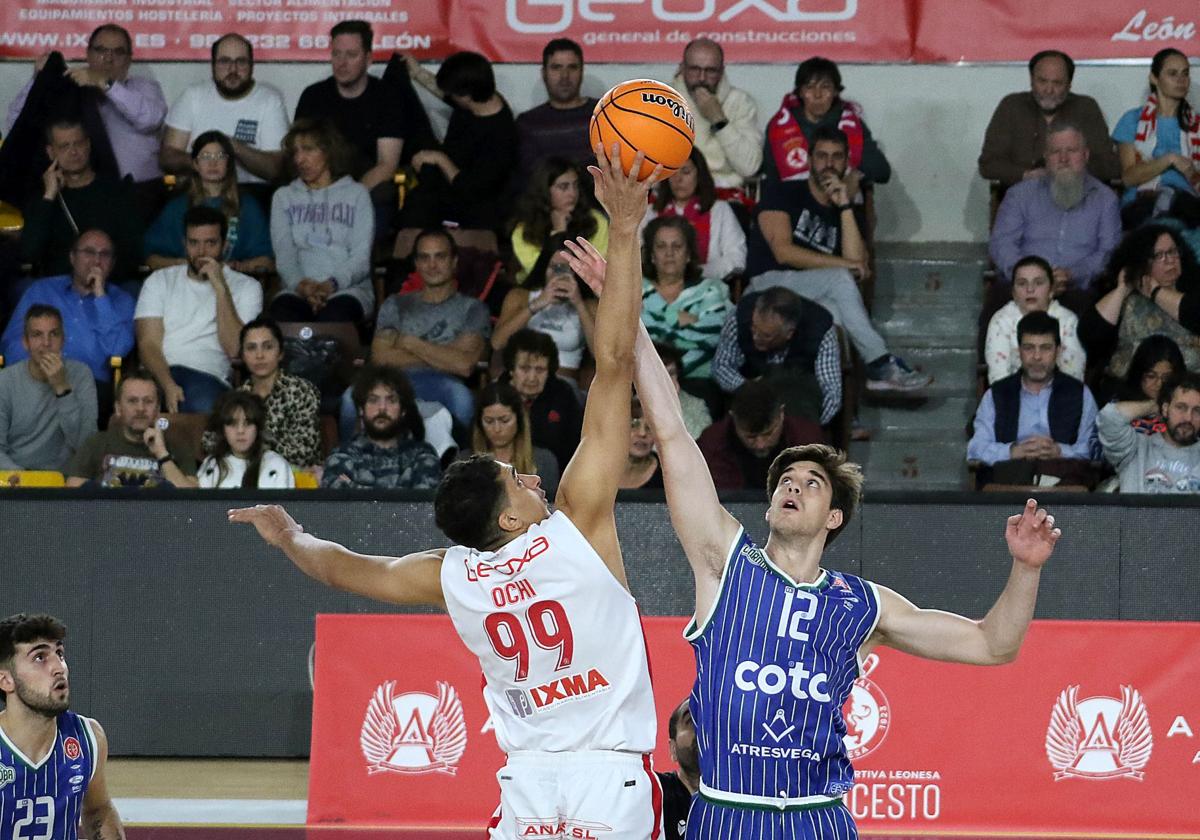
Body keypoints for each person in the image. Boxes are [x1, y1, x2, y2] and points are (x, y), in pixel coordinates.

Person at [562, 233, 1061, 838]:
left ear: (835, 518)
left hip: (816, 820)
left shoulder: (863, 605)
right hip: (726, 813)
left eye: (811, 483)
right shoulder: (725, 562)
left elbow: (993, 646)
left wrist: (1027, 568)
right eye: (786, 479)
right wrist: (625, 306)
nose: (792, 486)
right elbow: (670, 430)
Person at [231, 146, 664, 839]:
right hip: (607, 779)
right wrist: (627, 224)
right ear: (510, 515)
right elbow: (613, 367)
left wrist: (289, 536)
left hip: (525, 785)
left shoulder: (453, 573)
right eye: (515, 479)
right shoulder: (576, 528)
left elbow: (346, 569)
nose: (529, 476)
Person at [746, 126, 929, 392]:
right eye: (821, 156)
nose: (828, 164)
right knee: (840, 279)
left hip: (811, 295)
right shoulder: (781, 192)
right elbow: (783, 252)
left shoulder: (847, 213)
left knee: (837, 321)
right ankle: (879, 363)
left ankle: (842, 407)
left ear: (847, 163)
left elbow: (860, 267)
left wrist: (844, 204)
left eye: (837, 157)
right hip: (767, 287)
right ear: (809, 160)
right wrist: (845, 266)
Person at [5, 25, 167, 206]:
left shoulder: (144, 87)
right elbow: (16, 123)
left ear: (129, 60)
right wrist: (38, 81)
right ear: (88, 54)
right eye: (101, 50)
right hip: (82, 194)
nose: (108, 58)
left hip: (142, 193)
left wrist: (106, 84)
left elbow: (150, 120)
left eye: (118, 52)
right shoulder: (69, 90)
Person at [0, 613, 126, 839]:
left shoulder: (88, 738)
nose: (59, 668)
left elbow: (98, 811)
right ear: (6, 680)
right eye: (40, 657)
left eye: (59, 653)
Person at [135, 205, 263, 413]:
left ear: (224, 245)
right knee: (135, 404)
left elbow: (235, 350)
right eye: (194, 243)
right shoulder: (159, 280)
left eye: (210, 243)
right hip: (158, 373)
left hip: (207, 376)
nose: (201, 252)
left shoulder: (247, 287)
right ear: (184, 243)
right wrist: (168, 384)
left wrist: (220, 288)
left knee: (201, 405)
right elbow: (147, 344)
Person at [2, 228, 135, 419]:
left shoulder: (121, 301)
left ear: (112, 264)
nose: (97, 261)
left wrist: (100, 297)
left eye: (105, 255)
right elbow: (12, 343)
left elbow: (117, 350)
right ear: (72, 258)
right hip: (37, 379)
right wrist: (40, 371)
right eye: (89, 252)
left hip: (87, 387)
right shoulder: (42, 290)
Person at [368, 227, 490, 429]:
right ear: (416, 264)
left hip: (445, 383)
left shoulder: (473, 308)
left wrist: (409, 342)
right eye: (424, 258)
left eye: (440, 257)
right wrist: (445, 354)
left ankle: (462, 460)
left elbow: (464, 365)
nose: (432, 265)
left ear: (454, 262)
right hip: (393, 383)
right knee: (349, 400)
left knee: (462, 400)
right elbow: (380, 358)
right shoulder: (395, 304)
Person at [988, 123, 1122, 298]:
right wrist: (1031, 277)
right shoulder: (1019, 195)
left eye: (1071, 151)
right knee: (995, 305)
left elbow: (1108, 252)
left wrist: (1072, 274)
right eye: (1055, 152)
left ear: (1085, 155)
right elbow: (1001, 244)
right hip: (1022, 288)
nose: (1063, 159)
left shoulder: (1105, 199)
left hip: (1079, 289)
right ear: (1046, 158)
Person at [295, 20, 406, 227]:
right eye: (336, 54)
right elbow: (300, 153)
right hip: (317, 182)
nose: (341, 63)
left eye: (351, 55)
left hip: (365, 186)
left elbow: (387, 164)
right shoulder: (313, 96)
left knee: (382, 196)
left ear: (369, 59)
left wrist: (347, 195)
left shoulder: (388, 97)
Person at [969, 311, 1099, 487]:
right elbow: (976, 448)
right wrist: (1012, 451)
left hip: (1063, 485)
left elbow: (1093, 449)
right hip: (1009, 483)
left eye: (1045, 348)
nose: (1037, 357)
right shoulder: (997, 393)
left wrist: (1060, 451)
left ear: (1058, 351)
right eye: (1029, 348)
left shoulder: (1080, 393)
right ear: (1019, 351)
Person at [398, 51, 518, 234]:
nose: (451, 97)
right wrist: (417, 72)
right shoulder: (478, 99)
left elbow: (471, 188)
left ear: (466, 96)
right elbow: (445, 92)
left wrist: (439, 158)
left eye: (454, 94)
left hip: (475, 208)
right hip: (444, 189)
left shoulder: (501, 134)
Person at [268, 119, 374, 324]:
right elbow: (285, 256)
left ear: (328, 152)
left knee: (335, 319)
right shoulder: (284, 197)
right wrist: (302, 286)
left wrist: (329, 286)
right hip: (297, 290)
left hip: (348, 289)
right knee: (284, 316)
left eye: (308, 150)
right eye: (295, 152)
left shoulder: (357, 194)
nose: (300, 159)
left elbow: (360, 257)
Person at [21, 119, 143, 282]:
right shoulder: (43, 199)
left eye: (78, 143)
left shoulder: (117, 191)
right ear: (51, 152)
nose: (73, 152)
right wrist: (49, 195)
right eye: (65, 146)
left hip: (110, 283)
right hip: (59, 287)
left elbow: (133, 251)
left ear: (88, 144)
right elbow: (29, 252)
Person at [160, 34, 289, 187]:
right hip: (199, 192)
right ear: (213, 65)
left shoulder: (270, 100)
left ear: (252, 66)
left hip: (249, 193)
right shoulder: (193, 95)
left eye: (241, 62)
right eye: (224, 61)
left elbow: (275, 170)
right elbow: (167, 157)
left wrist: (232, 146)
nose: (233, 69)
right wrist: (206, 162)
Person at [1078, 225, 1200, 384]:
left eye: (1173, 251)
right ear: (1140, 260)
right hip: (1128, 389)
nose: (1170, 260)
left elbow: (1194, 313)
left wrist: (1155, 291)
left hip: (1188, 392)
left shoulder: (1194, 288)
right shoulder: (1125, 298)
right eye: (1159, 255)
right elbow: (1091, 336)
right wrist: (1123, 288)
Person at [979, 49, 1121, 187]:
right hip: (1023, 195)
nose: (1048, 90)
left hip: (1077, 195)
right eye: (1042, 81)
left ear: (1069, 84)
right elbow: (988, 164)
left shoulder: (1085, 108)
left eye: (1057, 83)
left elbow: (1109, 165)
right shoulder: (1012, 106)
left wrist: (1067, 173)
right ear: (1031, 80)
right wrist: (1026, 175)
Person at [144, 131, 273, 274]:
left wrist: (235, 268)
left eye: (220, 156)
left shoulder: (248, 207)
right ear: (195, 163)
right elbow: (151, 260)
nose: (213, 162)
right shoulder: (176, 207)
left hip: (234, 286)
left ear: (229, 163)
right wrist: (185, 265)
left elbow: (267, 262)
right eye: (205, 156)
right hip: (185, 286)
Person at [712, 284, 841, 426]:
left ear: (789, 333)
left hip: (798, 402)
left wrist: (810, 426)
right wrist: (746, 387)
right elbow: (721, 365)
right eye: (753, 329)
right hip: (750, 396)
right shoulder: (740, 316)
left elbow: (831, 394)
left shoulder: (820, 330)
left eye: (766, 336)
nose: (755, 337)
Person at [763, 56, 890, 186]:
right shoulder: (779, 126)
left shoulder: (851, 124)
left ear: (835, 91)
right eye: (810, 87)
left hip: (840, 199)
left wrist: (854, 176)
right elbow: (771, 177)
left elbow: (882, 173)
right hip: (791, 201)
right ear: (800, 92)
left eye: (825, 87)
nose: (817, 95)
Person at [0, 305, 97, 471]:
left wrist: (62, 387)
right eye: (37, 335)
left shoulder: (81, 375)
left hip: (63, 482)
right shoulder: (5, 381)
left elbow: (86, 446)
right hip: (16, 480)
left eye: (54, 334)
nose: (46, 343)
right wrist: (25, 479)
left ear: (63, 340)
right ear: (26, 342)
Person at [492, 234, 597, 384]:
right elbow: (497, 343)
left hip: (563, 384)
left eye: (567, 268)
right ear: (544, 268)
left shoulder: (590, 305)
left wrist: (579, 304)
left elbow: (601, 356)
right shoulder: (520, 297)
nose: (559, 275)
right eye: (555, 268)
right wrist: (538, 303)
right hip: (521, 382)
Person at [65, 369, 197, 487]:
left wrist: (162, 454)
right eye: (132, 401)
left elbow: (192, 501)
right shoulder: (96, 444)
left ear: (157, 410)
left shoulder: (177, 447)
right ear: (118, 409)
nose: (140, 408)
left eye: (148, 401)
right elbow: (72, 495)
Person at [640, 216, 732, 383]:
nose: (669, 253)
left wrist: (654, 324)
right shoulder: (636, 289)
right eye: (661, 246)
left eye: (677, 246)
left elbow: (712, 336)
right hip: (643, 379)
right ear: (652, 255)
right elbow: (630, 338)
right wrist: (677, 318)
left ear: (688, 254)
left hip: (695, 379)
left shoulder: (709, 289)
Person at [321, 364, 440, 489]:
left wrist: (353, 486)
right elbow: (338, 503)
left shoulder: (422, 454)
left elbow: (421, 504)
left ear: (403, 410)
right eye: (373, 400)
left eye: (391, 400)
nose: (382, 408)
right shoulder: (342, 454)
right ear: (361, 409)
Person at [1112, 48, 1199, 217]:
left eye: (1185, 73)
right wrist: (1169, 159)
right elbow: (1129, 178)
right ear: (1154, 78)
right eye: (1172, 74)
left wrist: (1191, 173)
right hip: (1142, 202)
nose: (1181, 80)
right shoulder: (1132, 120)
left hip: (1188, 204)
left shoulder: (1196, 124)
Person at [697, 379, 827, 490]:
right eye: (750, 437)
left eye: (768, 433)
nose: (760, 445)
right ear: (733, 419)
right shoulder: (711, 445)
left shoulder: (808, 442)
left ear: (781, 414)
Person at [670, 38, 762, 191]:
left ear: (721, 72)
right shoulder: (662, 100)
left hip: (724, 192)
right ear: (682, 68)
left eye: (710, 71)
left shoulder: (740, 102)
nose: (701, 78)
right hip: (672, 192)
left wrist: (718, 120)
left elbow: (749, 168)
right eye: (694, 69)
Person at [641, 148, 746, 282]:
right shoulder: (650, 212)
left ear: (699, 175)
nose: (678, 179)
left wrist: (696, 273)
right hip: (657, 288)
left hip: (708, 287)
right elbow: (638, 257)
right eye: (673, 173)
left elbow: (737, 258)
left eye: (686, 172)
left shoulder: (720, 210)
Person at [984, 255, 1086, 385]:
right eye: (1022, 283)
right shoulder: (1001, 321)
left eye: (1038, 283)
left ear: (1051, 290)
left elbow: (1073, 378)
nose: (1030, 289)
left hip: (1060, 398)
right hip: (1012, 397)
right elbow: (998, 380)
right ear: (1014, 293)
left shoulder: (1068, 321)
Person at [236, 317, 322, 469]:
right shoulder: (237, 397)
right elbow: (210, 440)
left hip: (293, 479)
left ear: (281, 353)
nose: (259, 355)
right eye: (251, 348)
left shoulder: (302, 392)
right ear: (242, 356)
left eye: (268, 347)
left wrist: (250, 442)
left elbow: (303, 453)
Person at [509, 157, 608, 286]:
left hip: (587, 291)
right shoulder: (524, 230)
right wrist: (559, 233)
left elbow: (596, 271)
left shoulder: (595, 220)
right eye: (563, 187)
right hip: (539, 291)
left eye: (575, 185)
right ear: (545, 190)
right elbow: (541, 276)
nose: (572, 193)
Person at [1098, 370, 1200, 493]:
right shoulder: (1135, 448)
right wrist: (1154, 405)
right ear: (1165, 409)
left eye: (1197, 411)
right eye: (1181, 407)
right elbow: (1109, 417)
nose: (1188, 418)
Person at [514, 39, 598, 183]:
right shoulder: (528, 124)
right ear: (544, 73)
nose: (564, 76)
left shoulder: (603, 115)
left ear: (582, 71)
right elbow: (530, 178)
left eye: (572, 67)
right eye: (556, 67)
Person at [502, 328, 583, 470]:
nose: (532, 378)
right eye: (525, 369)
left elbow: (577, 445)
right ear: (511, 369)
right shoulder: (497, 394)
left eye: (540, 370)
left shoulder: (563, 394)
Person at [467, 381, 559, 499]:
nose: (497, 429)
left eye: (504, 420)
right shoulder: (464, 463)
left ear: (519, 419)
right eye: (489, 421)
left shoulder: (544, 461)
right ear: (479, 423)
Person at [198, 390, 294, 488]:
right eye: (232, 424)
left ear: (257, 428)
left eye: (248, 423)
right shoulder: (212, 465)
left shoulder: (276, 464)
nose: (240, 431)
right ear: (223, 430)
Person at [1113, 335, 1185, 434]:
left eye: (1167, 378)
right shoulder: (1119, 404)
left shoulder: (1187, 406)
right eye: (1151, 376)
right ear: (1138, 375)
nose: (1159, 384)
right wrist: (1152, 406)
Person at [655, 698, 699, 840]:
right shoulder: (652, 794)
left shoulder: (746, 798)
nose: (702, 729)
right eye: (692, 721)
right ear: (673, 749)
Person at [654, 341, 711, 439]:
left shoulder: (696, 405)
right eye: (660, 374)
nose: (667, 380)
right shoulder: (632, 405)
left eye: (671, 373)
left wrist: (671, 405)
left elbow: (703, 440)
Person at [620, 397, 663, 490]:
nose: (642, 433)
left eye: (650, 426)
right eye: (633, 425)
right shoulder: (591, 466)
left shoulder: (669, 473)